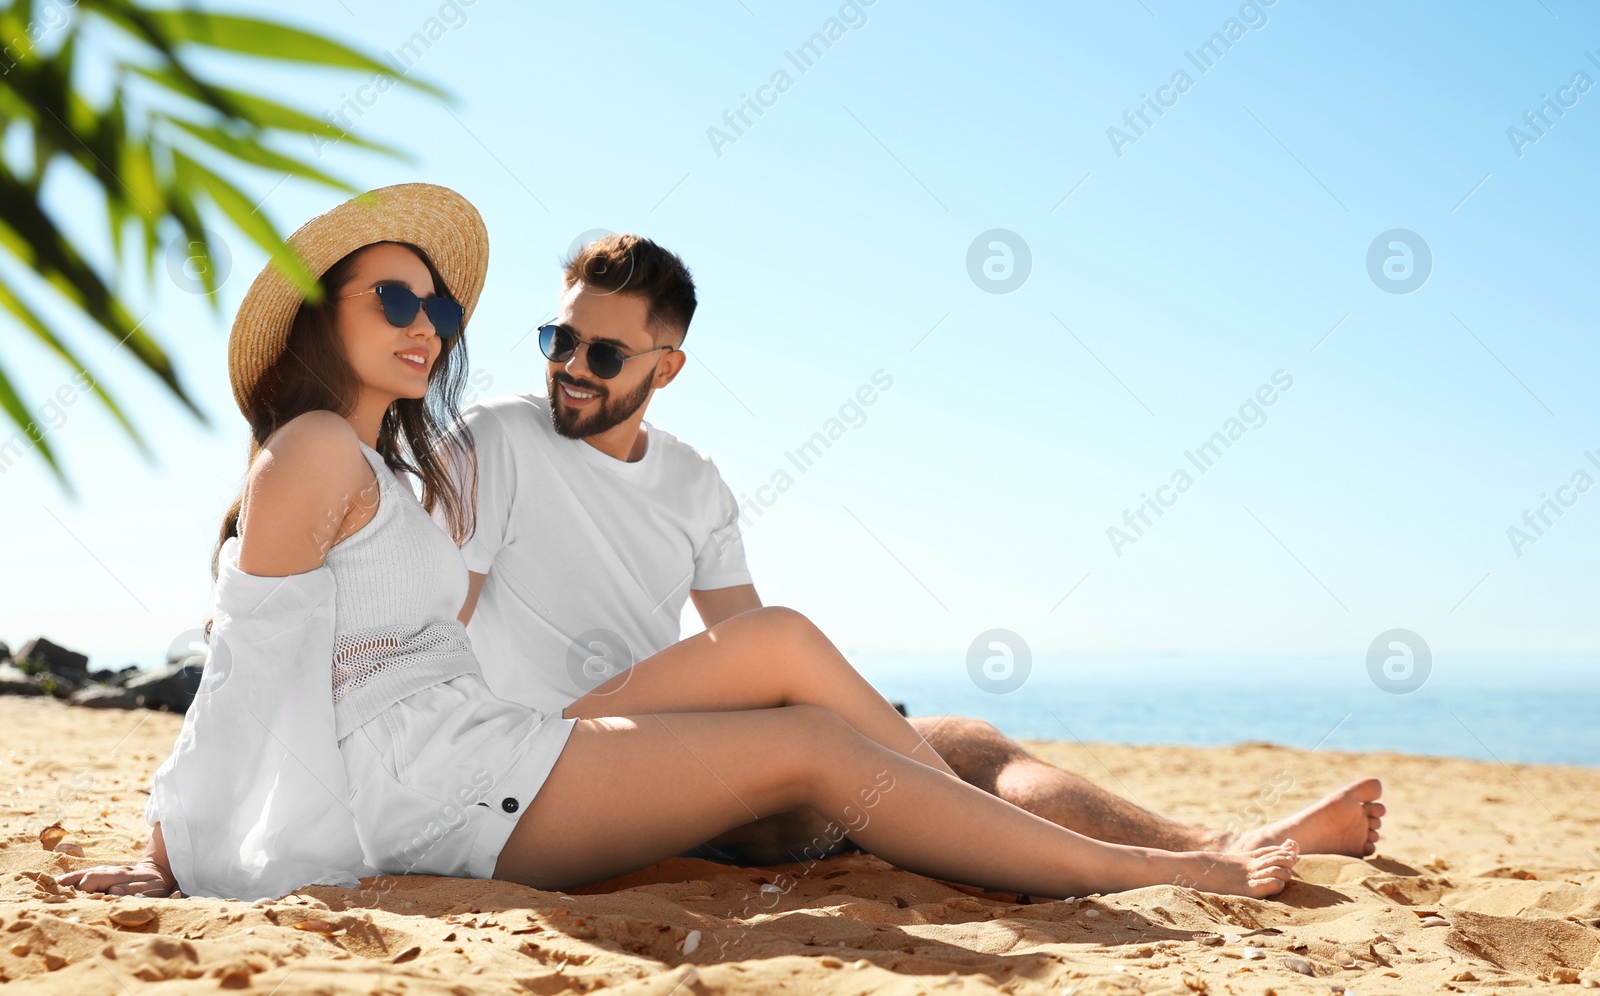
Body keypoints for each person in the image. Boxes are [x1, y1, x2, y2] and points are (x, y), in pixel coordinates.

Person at [60, 183, 1301, 903]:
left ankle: (1121, 854)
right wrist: (171, 851)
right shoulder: (323, 453)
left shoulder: (399, 460)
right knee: (818, 746)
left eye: (439, 304)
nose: (431, 323)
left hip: (481, 747)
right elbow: (247, 672)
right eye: (395, 298)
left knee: (801, 662)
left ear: (666, 366)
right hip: (434, 777)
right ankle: (1141, 873)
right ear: (320, 314)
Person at [438, 232, 1385, 867]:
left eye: (603, 354)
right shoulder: (500, 437)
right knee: (802, 660)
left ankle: (1212, 840)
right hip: (550, 755)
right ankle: (1153, 857)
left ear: (666, 368)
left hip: (668, 750)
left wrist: (860, 728)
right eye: (558, 337)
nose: (568, 365)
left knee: (965, 740)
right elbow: (443, 616)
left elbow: (734, 643)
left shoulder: (693, 481)